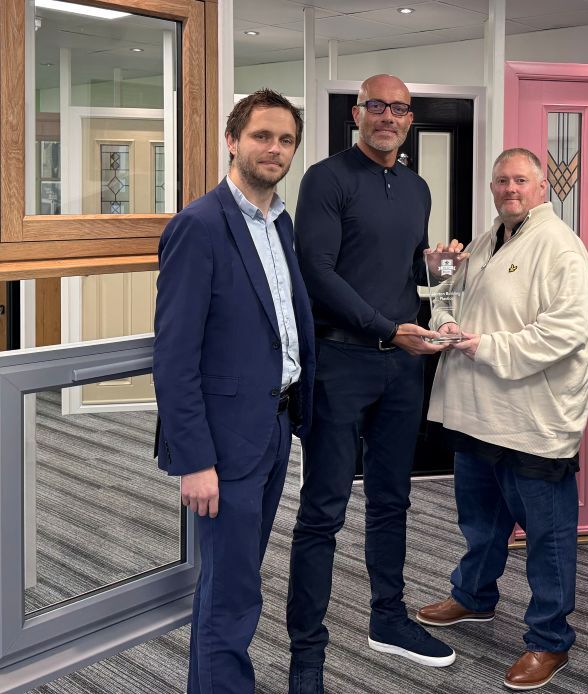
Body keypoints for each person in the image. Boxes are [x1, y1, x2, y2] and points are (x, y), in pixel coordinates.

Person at [286, 74, 459, 694]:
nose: (388, 116)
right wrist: (388, 329)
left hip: (401, 367)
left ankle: (388, 619)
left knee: (392, 499)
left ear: (410, 120)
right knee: (323, 510)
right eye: (377, 106)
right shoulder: (326, 179)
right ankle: (307, 657)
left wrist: (435, 268)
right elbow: (317, 271)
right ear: (358, 114)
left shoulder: (417, 187)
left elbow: (406, 270)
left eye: (400, 109)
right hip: (342, 362)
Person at [416, 148, 588, 691]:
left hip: (532, 420)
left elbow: (566, 333)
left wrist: (484, 345)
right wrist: (443, 301)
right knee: (481, 522)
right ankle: (473, 597)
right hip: (477, 411)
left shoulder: (561, 246)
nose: (509, 188)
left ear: (541, 187)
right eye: (501, 180)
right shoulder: (487, 238)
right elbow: (450, 298)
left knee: (547, 537)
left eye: (520, 180)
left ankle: (549, 640)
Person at [153, 89, 314, 694]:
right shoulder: (198, 226)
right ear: (232, 141)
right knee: (231, 593)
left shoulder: (280, 223)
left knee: (235, 582)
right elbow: (174, 357)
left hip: (274, 425)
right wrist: (194, 460)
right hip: (223, 445)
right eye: (261, 136)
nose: (274, 149)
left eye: (286, 140)